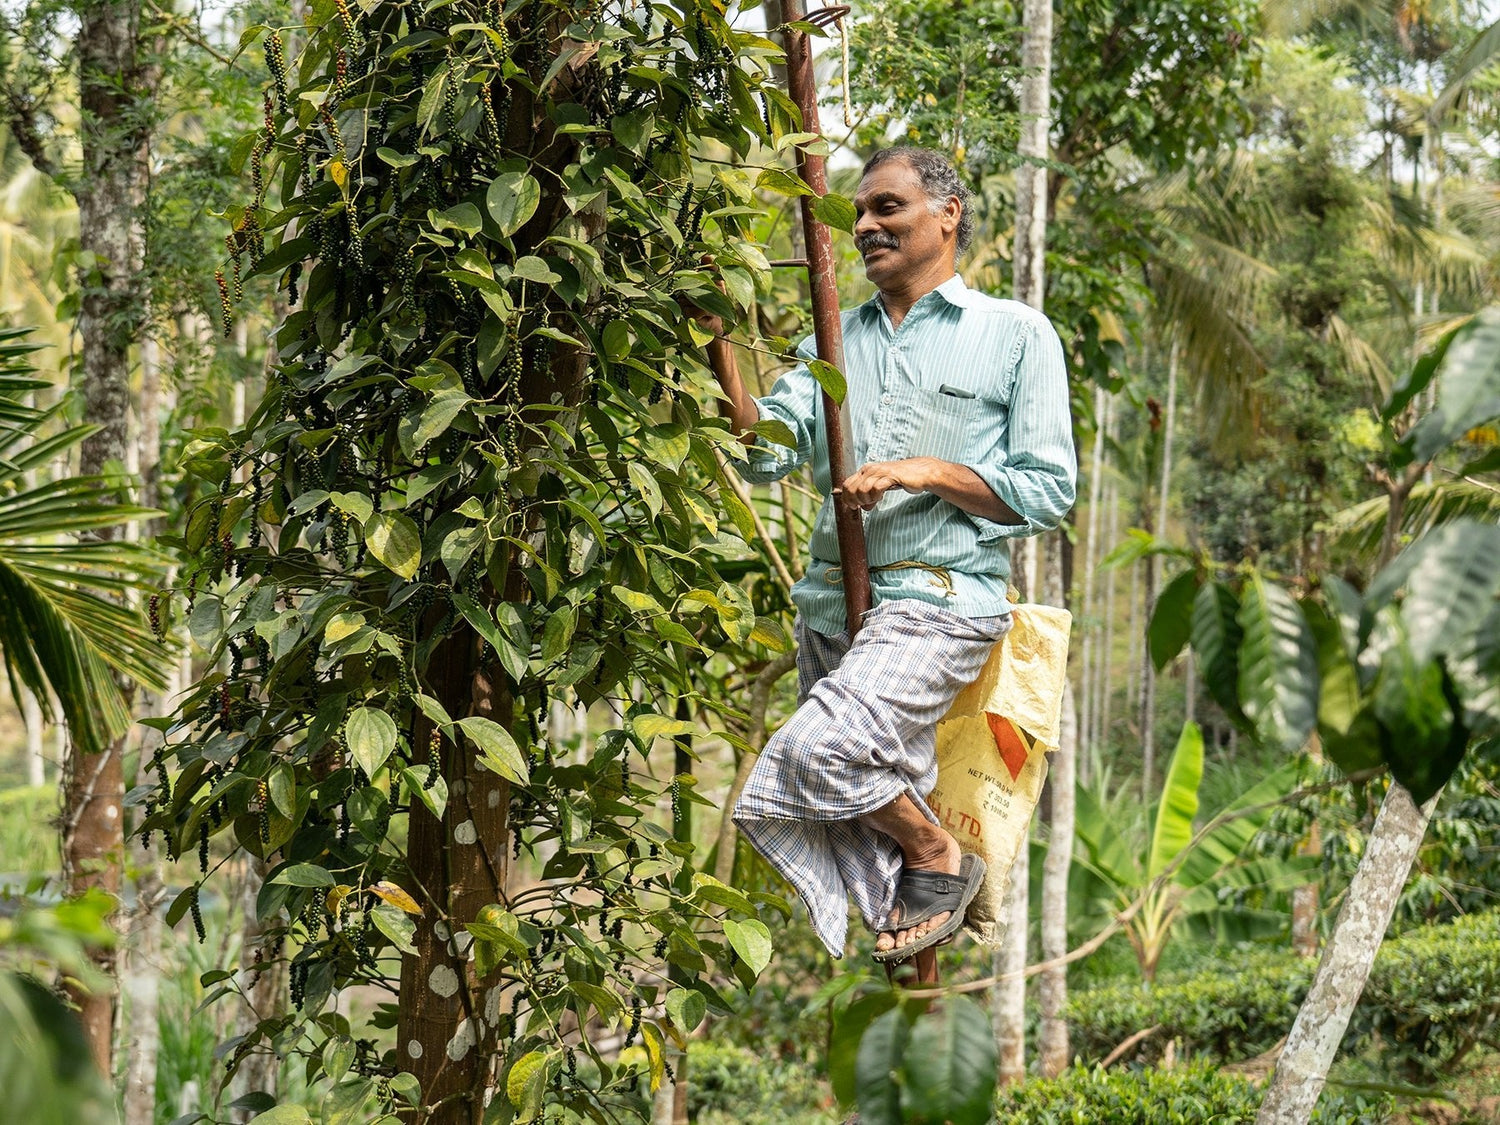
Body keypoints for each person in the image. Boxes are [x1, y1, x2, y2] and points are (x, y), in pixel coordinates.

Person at [697, 147, 1076, 975]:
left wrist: (924, 470)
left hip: (937, 601)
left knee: (816, 755)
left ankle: (939, 851)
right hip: (832, 608)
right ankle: (918, 926)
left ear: (948, 215)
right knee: (856, 811)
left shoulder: (1015, 334)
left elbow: (1048, 489)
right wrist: (715, 340)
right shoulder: (830, 342)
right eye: (859, 211)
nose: (865, 224)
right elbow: (764, 452)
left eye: (887, 207)